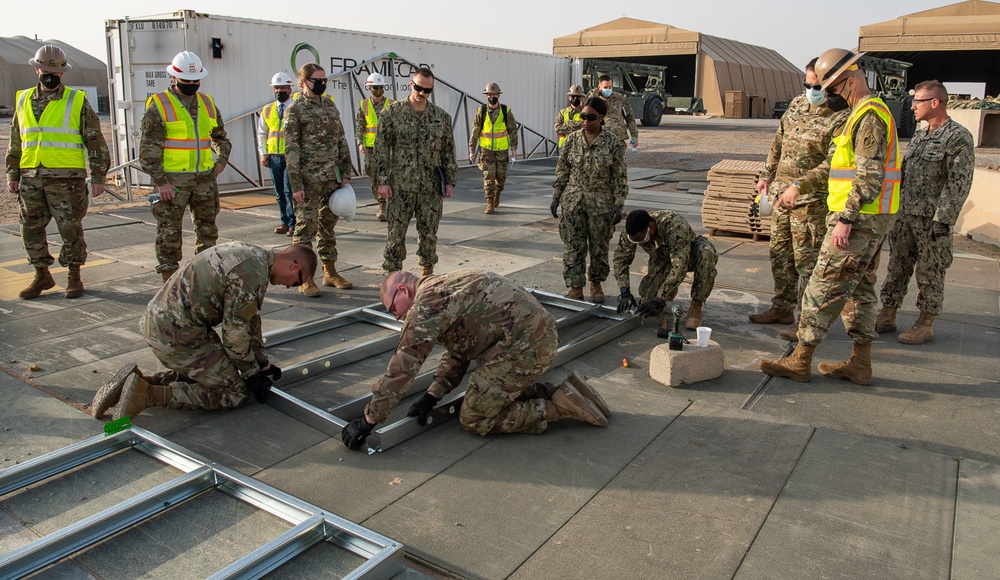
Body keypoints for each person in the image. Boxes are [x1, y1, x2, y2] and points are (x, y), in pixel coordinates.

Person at [341, 269, 611, 451]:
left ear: (403, 290)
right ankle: (565, 390)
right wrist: (433, 395)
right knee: (488, 390)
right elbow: (461, 350)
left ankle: (560, 407)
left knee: (474, 417)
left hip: (523, 349)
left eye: (392, 309)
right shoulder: (445, 284)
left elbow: (402, 368)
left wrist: (368, 420)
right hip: (536, 340)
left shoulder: (426, 305)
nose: (397, 317)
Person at [760, 48, 900, 387]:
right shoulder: (859, 114)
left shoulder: (868, 116)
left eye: (834, 90)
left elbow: (869, 177)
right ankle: (860, 364)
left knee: (820, 288)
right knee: (862, 291)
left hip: (859, 219)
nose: (830, 97)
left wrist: (846, 220)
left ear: (850, 82)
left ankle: (800, 360)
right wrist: (798, 183)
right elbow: (834, 165)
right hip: (870, 218)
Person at [90, 242, 317, 420]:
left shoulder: (253, 257)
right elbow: (234, 335)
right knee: (234, 391)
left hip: (167, 325)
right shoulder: (252, 273)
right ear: (294, 266)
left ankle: (137, 382)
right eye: (297, 282)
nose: (290, 287)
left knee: (213, 371)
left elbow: (250, 320)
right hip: (177, 335)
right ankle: (147, 396)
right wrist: (250, 374)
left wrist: (262, 364)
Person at [750, 58, 850, 341]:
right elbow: (778, 142)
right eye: (807, 85)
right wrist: (766, 175)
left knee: (807, 263)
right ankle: (781, 308)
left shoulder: (840, 116)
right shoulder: (796, 106)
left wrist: (800, 184)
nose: (811, 90)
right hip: (781, 197)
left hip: (812, 203)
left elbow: (835, 162)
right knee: (780, 256)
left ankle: (806, 320)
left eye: (817, 86)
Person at [5, 44, 110, 300]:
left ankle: (74, 276)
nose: (50, 75)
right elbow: (16, 140)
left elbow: (95, 141)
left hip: (67, 181)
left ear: (63, 74)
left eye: (56, 71)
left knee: (70, 230)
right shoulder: (23, 99)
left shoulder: (76, 101)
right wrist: (12, 173)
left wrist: (98, 176)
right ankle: (42, 274)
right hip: (32, 178)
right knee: (29, 228)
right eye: (45, 69)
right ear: (36, 69)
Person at [876, 80, 975, 344]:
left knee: (930, 271)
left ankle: (925, 322)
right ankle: (888, 313)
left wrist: (943, 219)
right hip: (905, 215)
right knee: (897, 267)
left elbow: (959, 182)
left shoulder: (957, 136)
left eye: (918, 101)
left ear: (935, 103)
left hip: (931, 221)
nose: (912, 106)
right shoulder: (920, 136)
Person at [139, 51, 232, 283]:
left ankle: (206, 278)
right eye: (186, 81)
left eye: (195, 81)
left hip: (204, 180)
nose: (192, 85)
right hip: (173, 182)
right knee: (169, 234)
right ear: (174, 78)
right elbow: (148, 149)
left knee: (208, 232)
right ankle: (169, 282)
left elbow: (221, 138)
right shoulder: (159, 104)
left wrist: (220, 162)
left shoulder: (207, 103)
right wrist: (161, 182)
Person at [372, 67, 458, 276]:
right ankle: (393, 277)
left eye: (427, 90)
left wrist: (449, 181)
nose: (422, 93)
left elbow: (448, 151)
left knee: (429, 233)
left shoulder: (441, 117)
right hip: (400, 186)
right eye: (418, 88)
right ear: (411, 84)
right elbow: (380, 150)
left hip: (430, 187)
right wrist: (382, 181)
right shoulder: (392, 113)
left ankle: (427, 275)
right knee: (395, 234)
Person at [285, 63, 354, 296]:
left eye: (325, 79)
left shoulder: (330, 106)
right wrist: (296, 185)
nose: (322, 83)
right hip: (307, 181)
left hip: (330, 179)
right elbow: (291, 150)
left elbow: (341, 140)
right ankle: (304, 278)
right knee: (305, 229)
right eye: (317, 80)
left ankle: (330, 272)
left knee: (327, 227)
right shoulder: (295, 110)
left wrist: (346, 171)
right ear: (304, 81)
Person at [551, 97, 627, 303]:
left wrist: (619, 204)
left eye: (590, 117)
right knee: (573, 246)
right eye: (582, 116)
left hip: (600, 205)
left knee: (599, 247)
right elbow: (563, 171)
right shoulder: (572, 140)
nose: (585, 120)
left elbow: (619, 176)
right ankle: (575, 287)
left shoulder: (612, 143)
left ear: (601, 118)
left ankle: (596, 284)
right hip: (573, 201)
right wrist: (556, 197)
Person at [613, 209, 718, 329]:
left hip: (689, 255)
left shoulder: (675, 227)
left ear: (650, 227)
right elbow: (620, 259)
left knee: (706, 254)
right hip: (662, 258)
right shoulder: (631, 231)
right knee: (649, 302)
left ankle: (696, 304)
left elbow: (680, 266)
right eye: (636, 242)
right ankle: (669, 291)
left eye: (643, 240)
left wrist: (661, 297)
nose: (641, 245)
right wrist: (624, 291)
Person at [469, 82, 518, 214]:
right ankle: (489, 202)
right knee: (488, 176)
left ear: (498, 95)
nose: (491, 96)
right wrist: (472, 150)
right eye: (489, 94)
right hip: (486, 150)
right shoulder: (481, 112)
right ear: (486, 96)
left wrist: (514, 147)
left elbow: (513, 130)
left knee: (501, 177)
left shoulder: (505, 111)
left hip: (502, 150)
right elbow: (475, 132)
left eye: (494, 94)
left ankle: (497, 192)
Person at [257, 71, 296, 237]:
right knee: (279, 193)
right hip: (274, 157)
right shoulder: (267, 110)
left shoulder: (296, 108)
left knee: (289, 192)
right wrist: (263, 153)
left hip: (290, 157)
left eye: (283, 87)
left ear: (289, 89)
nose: (279, 90)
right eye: (277, 88)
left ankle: (294, 223)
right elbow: (262, 133)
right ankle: (284, 222)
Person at [355, 72, 393, 222]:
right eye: (374, 87)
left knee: (390, 176)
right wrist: (360, 142)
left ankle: (389, 205)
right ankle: (381, 204)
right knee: (374, 177)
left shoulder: (391, 104)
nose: (377, 90)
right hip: (371, 148)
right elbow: (360, 126)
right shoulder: (364, 105)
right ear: (369, 89)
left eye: (380, 87)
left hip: (388, 148)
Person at [589, 74, 638, 149]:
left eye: (610, 87)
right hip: (600, 139)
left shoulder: (619, 99)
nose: (608, 89)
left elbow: (630, 118)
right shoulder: (594, 99)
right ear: (599, 87)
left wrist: (634, 138)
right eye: (605, 87)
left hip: (618, 139)